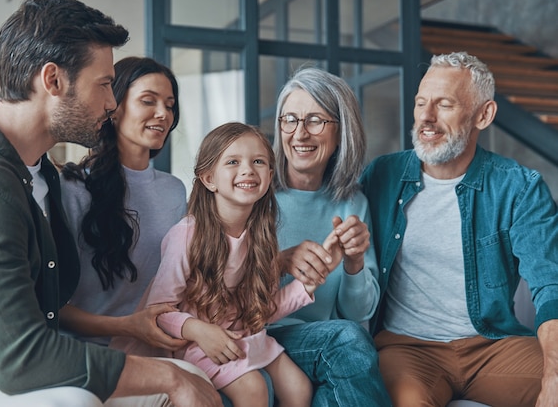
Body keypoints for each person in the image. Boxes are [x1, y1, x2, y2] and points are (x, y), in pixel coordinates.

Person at [0, 0, 221, 407]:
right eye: (104, 84)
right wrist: (165, 375)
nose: (110, 102)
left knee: (191, 376)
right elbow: (21, 360)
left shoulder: (39, 172)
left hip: (28, 371)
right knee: (77, 400)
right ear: (53, 80)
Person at [360, 51, 558, 406]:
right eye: (421, 103)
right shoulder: (381, 176)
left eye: (444, 104)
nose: (427, 117)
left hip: (493, 345)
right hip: (408, 349)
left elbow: (550, 283)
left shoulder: (519, 187)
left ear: (484, 114)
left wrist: (554, 375)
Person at [140, 122, 344, 407]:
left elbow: (259, 313)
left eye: (258, 161)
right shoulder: (186, 235)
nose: (248, 170)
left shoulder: (260, 237)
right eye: (233, 162)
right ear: (209, 178)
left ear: (270, 175)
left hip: (248, 338)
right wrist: (199, 330)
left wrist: (309, 282)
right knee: (253, 389)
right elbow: (157, 311)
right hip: (199, 344)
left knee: (298, 389)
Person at [267, 66, 392, 406]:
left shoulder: (353, 203)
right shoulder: (256, 193)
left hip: (327, 350)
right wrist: (279, 263)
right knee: (347, 341)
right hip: (264, 337)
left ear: (342, 132)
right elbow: (218, 286)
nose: (300, 133)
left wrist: (353, 265)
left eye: (315, 121)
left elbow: (357, 314)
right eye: (289, 119)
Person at [59, 56, 188, 354]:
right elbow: (53, 307)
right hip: (93, 353)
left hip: (162, 349)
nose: (162, 114)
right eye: (148, 101)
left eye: (169, 105)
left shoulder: (175, 190)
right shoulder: (74, 189)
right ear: (113, 108)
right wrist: (128, 326)